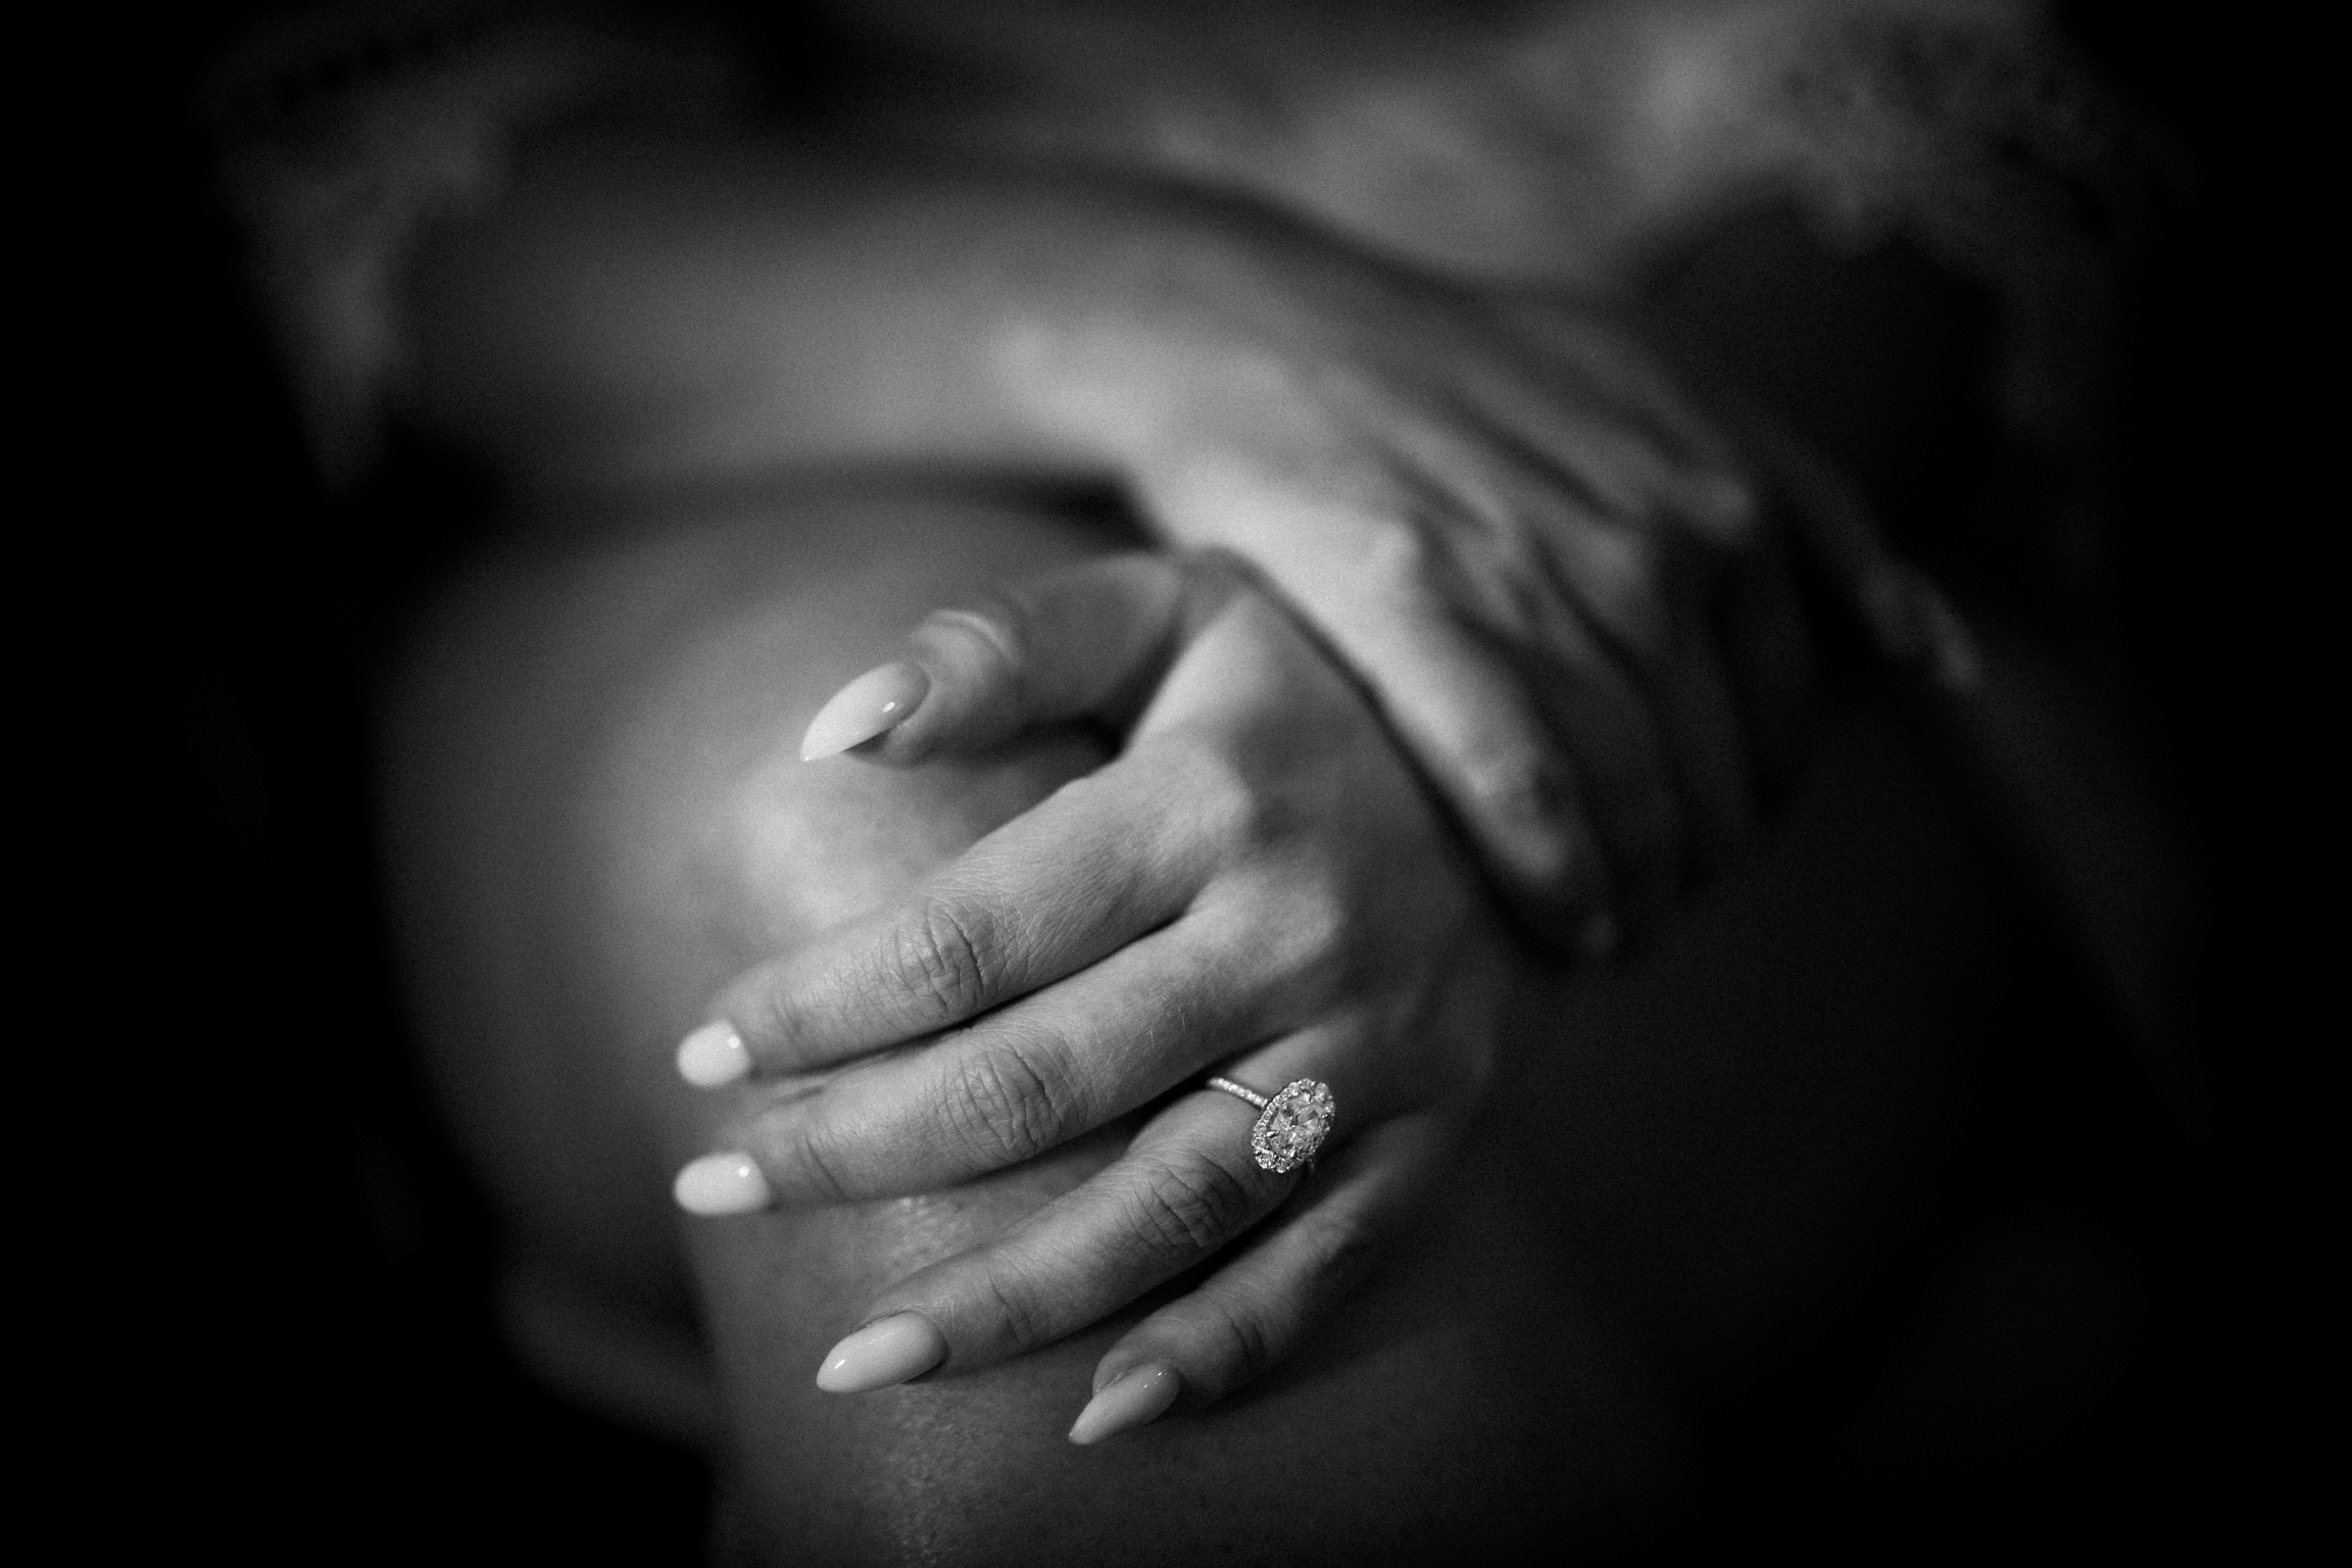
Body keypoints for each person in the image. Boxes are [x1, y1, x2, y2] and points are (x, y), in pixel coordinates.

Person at [208, 0, 2180, 1557]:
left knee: (1075, 1005)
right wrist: (1196, 323)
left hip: (1689, 406)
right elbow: (408, 137)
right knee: (906, 833)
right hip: (743, 389)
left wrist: (1467, 639)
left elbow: (1945, 126)